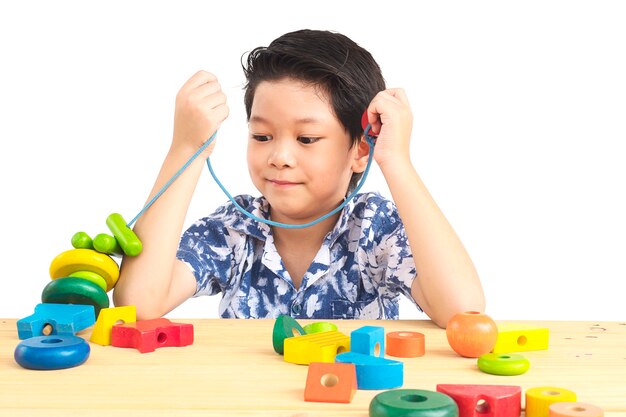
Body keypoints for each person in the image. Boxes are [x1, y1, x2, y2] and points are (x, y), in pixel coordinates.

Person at [113, 29, 484, 328]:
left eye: (306, 139)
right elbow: (140, 305)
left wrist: (396, 160)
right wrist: (185, 148)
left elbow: (462, 312)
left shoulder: (374, 227)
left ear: (359, 150)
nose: (279, 157)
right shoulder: (235, 228)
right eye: (261, 136)